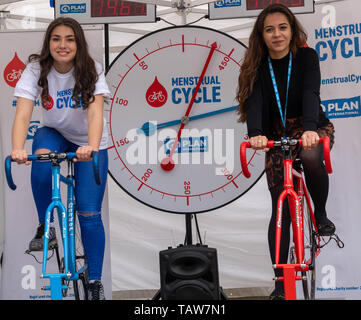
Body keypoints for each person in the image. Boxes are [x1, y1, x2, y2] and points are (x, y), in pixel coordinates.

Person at [236, 4, 335, 300]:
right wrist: (255, 134)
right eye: (269, 29)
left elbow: (310, 93)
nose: (277, 34)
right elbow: (254, 103)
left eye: (282, 27)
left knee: (310, 156)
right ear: (261, 35)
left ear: (292, 31)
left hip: (309, 124)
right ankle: (280, 280)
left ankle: (320, 212)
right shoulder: (256, 65)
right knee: (280, 205)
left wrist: (309, 129)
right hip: (274, 134)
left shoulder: (306, 57)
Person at [10, 17, 110, 300]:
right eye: (56, 39)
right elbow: (23, 113)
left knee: (89, 214)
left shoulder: (91, 69)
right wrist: (18, 148)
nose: (62, 45)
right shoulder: (35, 69)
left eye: (69, 39)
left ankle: (95, 283)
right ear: (48, 43)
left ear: (78, 43)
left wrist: (90, 147)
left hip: (88, 142)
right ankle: (46, 227)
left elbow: (94, 113)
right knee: (41, 159)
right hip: (54, 133)